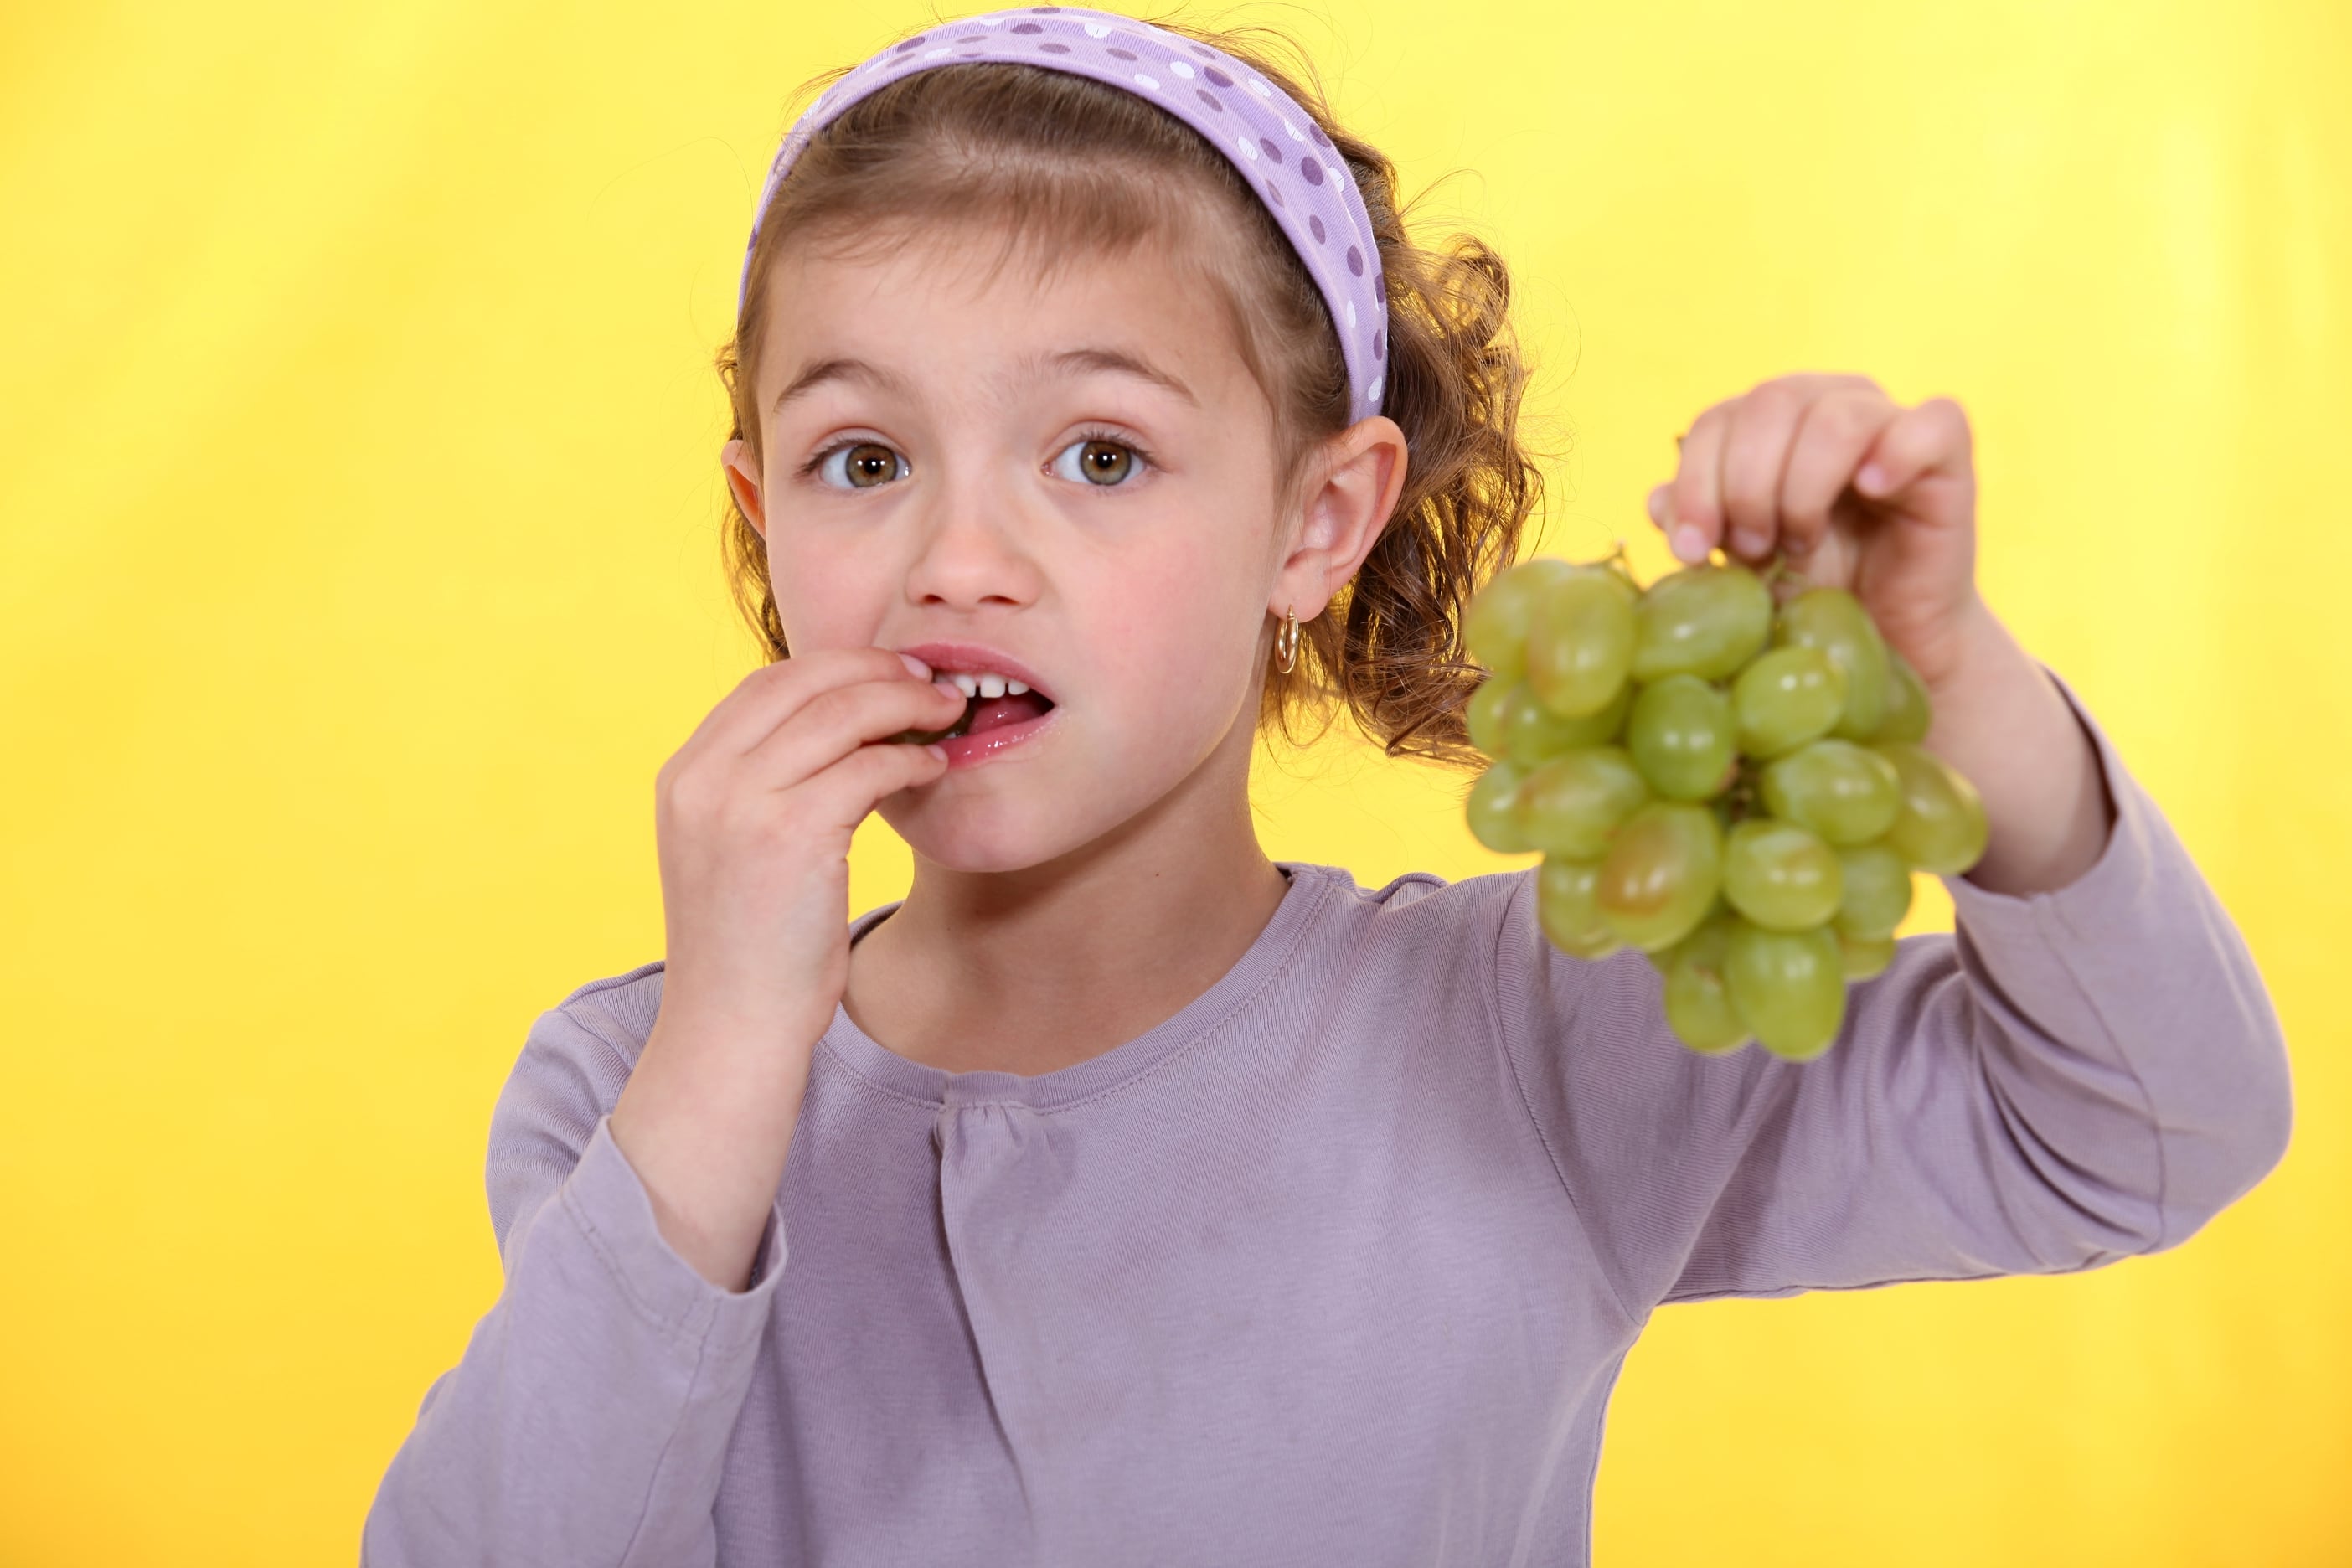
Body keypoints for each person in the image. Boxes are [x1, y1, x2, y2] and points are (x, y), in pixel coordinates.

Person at [361, 8, 2293, 1564]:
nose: (959, 558)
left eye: (1099, 456)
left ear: (1319, 522)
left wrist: (1960, 691)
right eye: (861, 460)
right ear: (762, 516)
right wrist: (723, 1055)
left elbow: (2145, 1132)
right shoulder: (633, 1099)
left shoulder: (1533, 1036)